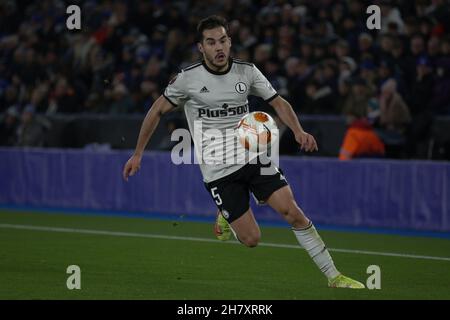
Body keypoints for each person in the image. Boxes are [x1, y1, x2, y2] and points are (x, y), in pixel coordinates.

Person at [123, 15, 364, 289]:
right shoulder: (187, 80)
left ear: (230, 41)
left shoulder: (247, 72)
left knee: (293, 212)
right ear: (201, 47)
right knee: (252, 239)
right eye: (211, 42)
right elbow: (156, 110)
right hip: (218, 169)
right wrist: (138, 153)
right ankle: (224, 216)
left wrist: (298, 130)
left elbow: (278, 101)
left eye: (223, 40)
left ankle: (334, 276)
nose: (219, 47)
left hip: (254, 156)